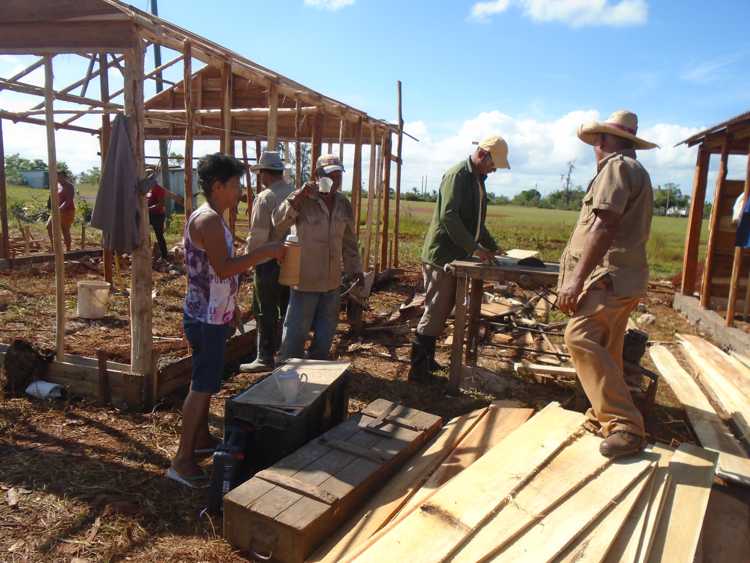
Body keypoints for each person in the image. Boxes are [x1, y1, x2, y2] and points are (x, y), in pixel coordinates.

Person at [168, 153, 285, 487]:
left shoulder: (213, 218)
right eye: (235, 185)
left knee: (206, 382)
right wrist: (267, 251)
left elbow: (215, 275)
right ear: (218, 186)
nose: (240, 191)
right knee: (202, 387)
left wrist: (230, 308)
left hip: (210, 315)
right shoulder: (207, 221)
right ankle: (182, 460)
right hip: (205, 319)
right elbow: (225, 268)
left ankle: (201, 438)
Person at [557, 110, 658, 459]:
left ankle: (625, 425)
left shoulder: (616, 168)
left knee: (579, 337)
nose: (595, 147)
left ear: (603, 141)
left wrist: (575, 280)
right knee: (608, 347)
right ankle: (605, 418)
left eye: (597, 141)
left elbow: (603, 226)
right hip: (624, 277)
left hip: (609, 277)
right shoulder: (634, 170)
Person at [409, 136, 510, 383]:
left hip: (457, 256)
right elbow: (450, 218)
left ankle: (428, 363)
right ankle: (418, 371)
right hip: (441, 256)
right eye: (493, 164)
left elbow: (476, 224)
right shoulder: (458, 176)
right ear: (483, 154)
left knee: (442, 311)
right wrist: (475, 249)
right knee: (435, 311)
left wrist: (492, 246)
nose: (494, 169)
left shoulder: (477, 179)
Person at [273, 154, 364, 361]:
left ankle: (317, 373)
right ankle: (287, 376)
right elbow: (278, 225)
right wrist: (297, 200)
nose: (335, 180)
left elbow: (349, 242)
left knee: (325, 335)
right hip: (305, 281)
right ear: (317, 175)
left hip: (332, 282)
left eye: (338, 174)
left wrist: (355, 269)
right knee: (296, 334)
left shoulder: (343, 203)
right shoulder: (302, 199)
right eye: (330, 174)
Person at [239, 151, 294, 372]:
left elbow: (259, 236)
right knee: (288, 308)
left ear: (263, 174)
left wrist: (246, 260)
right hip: (292, 258)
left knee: (264, 309)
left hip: (268, 261)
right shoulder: (294, 193)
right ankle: (287, 353)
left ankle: (265, 357)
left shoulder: (265, 197)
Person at [146, 167, 183, 261]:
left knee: (159, 235)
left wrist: (147, 209)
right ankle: (147, 253)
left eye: (149, 177)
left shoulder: (158, 189)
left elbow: (161, 204)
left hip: (157, 215)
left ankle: (164, 256)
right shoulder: (148, 189)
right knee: (143, 234)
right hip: (149, 214)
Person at [47, 169, 76, 252]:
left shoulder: (69, 186)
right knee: (49, 226)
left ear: (64, 177)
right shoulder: (57, 185)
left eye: (59, 176)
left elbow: (68, 200)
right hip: (57, 210)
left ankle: (68, 250)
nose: (57, 178)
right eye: (56, 176)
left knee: (65, 230)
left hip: (67, 211)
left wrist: (59, 209)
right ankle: (54, 247)